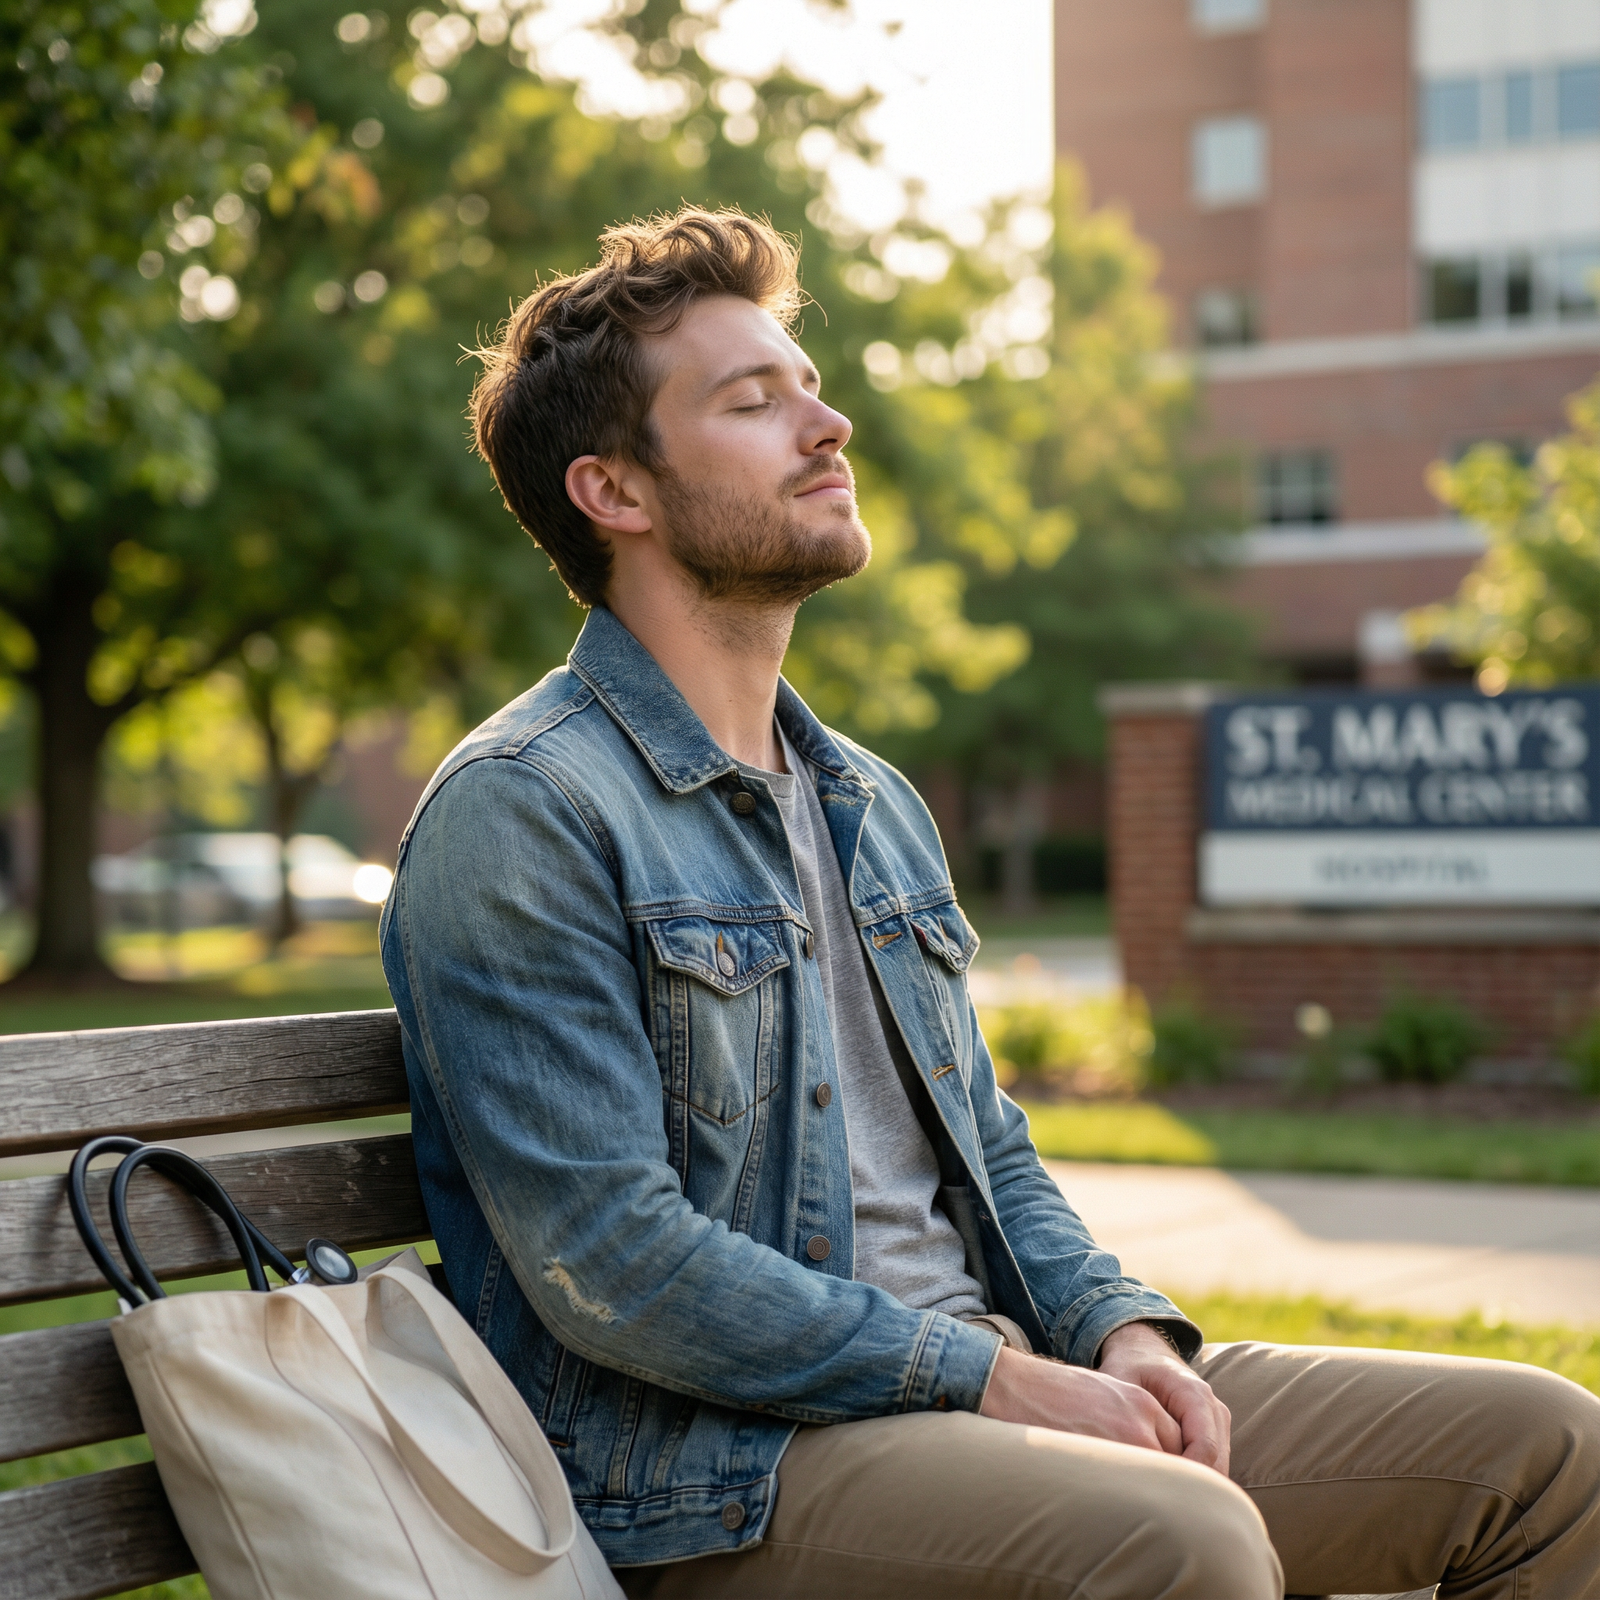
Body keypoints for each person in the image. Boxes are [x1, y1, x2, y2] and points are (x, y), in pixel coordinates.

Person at [380, 207, 1600, 1599]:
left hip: (983, 1380)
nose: (827, 425)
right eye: (753, 399)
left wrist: (1120, 1336)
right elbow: (615, 1261)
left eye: (810, 385)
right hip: (720, 1479)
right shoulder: (525, 809)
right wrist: (985, 1381)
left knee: (1549, 1452)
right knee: (1182, 1541)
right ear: (617, 493)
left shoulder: (868, 802)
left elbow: (993, 1160)